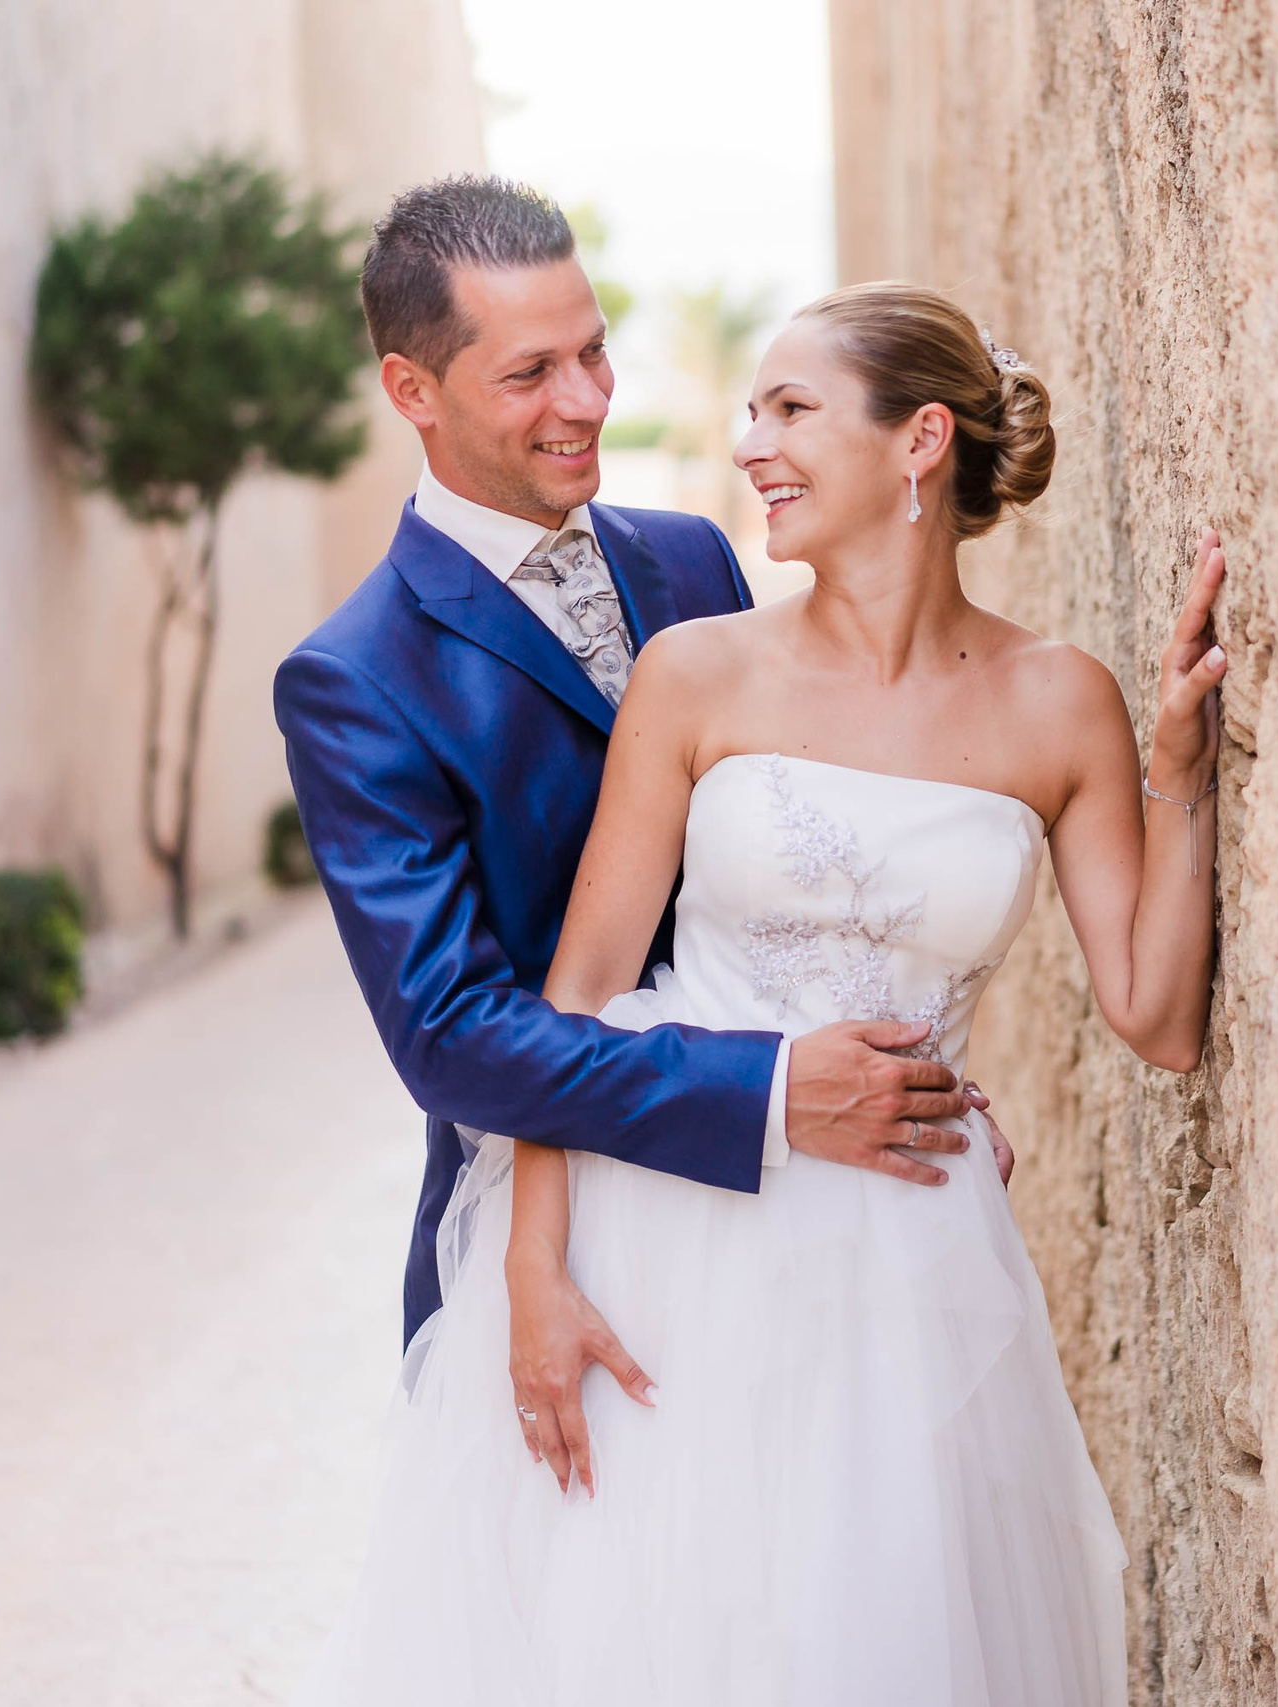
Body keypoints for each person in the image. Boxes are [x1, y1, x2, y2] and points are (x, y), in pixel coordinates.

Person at [300, 278, 1228, 1706]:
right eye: (754, 409)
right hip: (668, 1237)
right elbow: (581, 990)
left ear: (920, 442)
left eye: (789, 408)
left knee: (883, 1637)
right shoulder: (698, 669)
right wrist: (533, 1269)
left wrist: (1181, 773)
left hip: (915, 1254)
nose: (749, 444)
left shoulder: (1064, 701)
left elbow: (1158, 1018)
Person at [275, 178, 1005, 1382]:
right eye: (528, 375)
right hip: (555, 1249)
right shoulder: (356, 677)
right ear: (413, 390)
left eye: (595, 353)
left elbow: (804, 851)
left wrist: (900, 1077)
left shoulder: (691, 559)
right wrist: (775, 1087)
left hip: (825, 1198)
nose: (584, 403)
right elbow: (452, 1037)